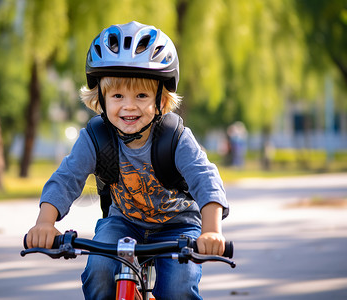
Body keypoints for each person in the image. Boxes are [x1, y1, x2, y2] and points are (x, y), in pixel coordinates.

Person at [26, 21, 229, 300]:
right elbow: (66, 178)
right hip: (122, 223)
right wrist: (45, 223)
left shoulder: (175, 137)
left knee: (178, 288)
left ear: (161, 100)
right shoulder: (95, 138)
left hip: (177, 226)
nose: (129, 105)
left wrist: (211, 231)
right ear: (101, 98)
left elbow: (205, 179)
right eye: (118, 95)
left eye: (142, 95)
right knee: (99, 272)